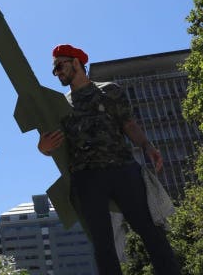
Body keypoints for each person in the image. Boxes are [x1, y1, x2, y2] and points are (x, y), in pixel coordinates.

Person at [38, 44, 180, 275]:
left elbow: (128, 124)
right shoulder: (59, 105)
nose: (57, 73)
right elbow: (50, 142)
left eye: (60, 66)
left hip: (123, 169)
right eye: (54, 70)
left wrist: (147, 146)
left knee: (151, 231)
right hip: (86, 178)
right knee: (103, 245)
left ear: (76, 62)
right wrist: (43, 148)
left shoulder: (109, 90)